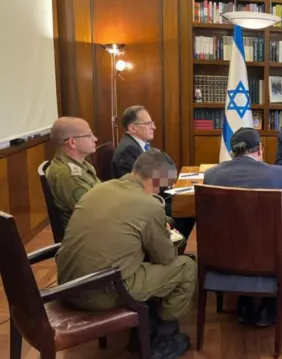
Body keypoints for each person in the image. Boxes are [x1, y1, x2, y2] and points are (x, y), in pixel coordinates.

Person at [55, 149, 196, 358]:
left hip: (67, 285)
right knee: (186, 267)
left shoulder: (99, 189)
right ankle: (162, 338)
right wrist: (163, 234)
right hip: (100, 294)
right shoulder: (149, 205)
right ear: (157, 181)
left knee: (142, 258)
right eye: (165, 185)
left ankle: (144, 325)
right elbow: (165, 257)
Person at [203, 127, 282, 327]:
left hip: (225, 255)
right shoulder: (279, 174)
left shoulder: (211, 175)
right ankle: (269, 305)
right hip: (269, 256)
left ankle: (244, 302)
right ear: (260, 149)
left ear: (232, 151)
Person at [112, 105, 195, 242]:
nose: (153, 127)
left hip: (154, 196)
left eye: (153, 123)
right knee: (189, 208)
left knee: (188, 204)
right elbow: (139, 185)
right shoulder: (129, 150)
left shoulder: (139, 144)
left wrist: (168, 181)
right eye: (148, 124)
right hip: (141, 205)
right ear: (133, 128)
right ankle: (182, 247)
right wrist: (167, 183)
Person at [45, 117, 99, 227]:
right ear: (72, 142)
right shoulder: (67, 175)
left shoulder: (81, 163)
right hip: (87, 232)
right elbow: (94, 210)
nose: (95, 139)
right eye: (89, 135)